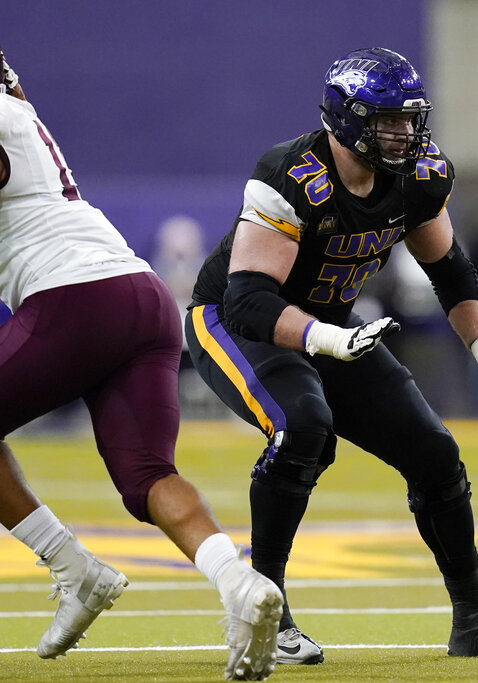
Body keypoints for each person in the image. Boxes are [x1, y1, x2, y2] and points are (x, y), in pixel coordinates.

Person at [185, 47, 478, 665]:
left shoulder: (420, 176)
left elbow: (451, 271)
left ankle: (474, 620)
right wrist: (329, 340)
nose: (404, 134)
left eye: (410, 120)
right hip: (233, 320)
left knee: (435, 453)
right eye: (388, 121)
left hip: (330, 325)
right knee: (304, 427)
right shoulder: (292, 174)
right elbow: (248, 300)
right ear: (347, 119)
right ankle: (262, 610)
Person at [0, 48, 283, 680]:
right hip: (142, 296)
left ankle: (72, 566)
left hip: (73, 298)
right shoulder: (19, 112)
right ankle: (239, 583)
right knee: (147, 475)